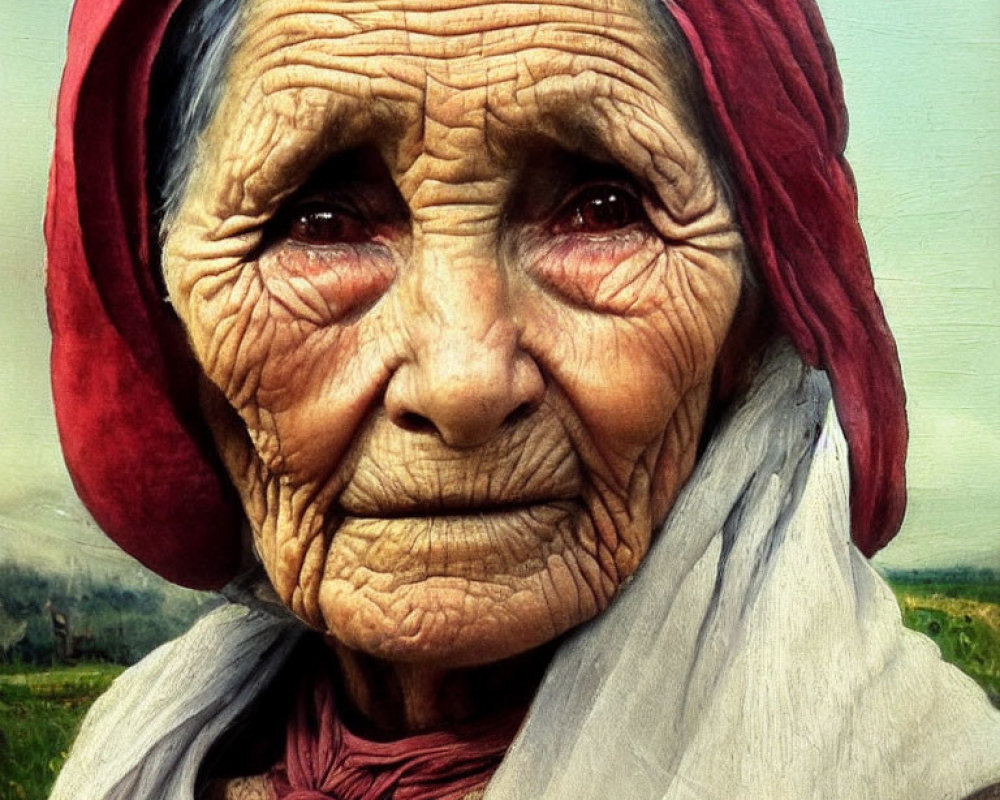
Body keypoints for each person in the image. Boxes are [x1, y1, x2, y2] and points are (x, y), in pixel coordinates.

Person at [44, 0, 1000, 797]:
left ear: (753, 321)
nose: (463, 382)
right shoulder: (140, 759)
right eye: (321, 223)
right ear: (164, 318)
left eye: (602, 209)